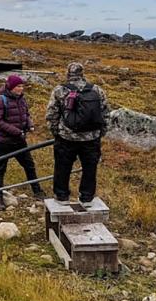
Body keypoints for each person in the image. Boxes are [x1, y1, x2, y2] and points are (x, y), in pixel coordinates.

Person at [45, 62, 110, 207]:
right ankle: (87, 198)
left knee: (62, 167)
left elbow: (51, 114)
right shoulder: (97, 90)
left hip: (66, 137)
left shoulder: (60, 90)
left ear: (68, 74)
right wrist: (100, 133)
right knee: (90, 168)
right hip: (91, 138)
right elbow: (105, 114)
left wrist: (57, 132)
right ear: (82, 74)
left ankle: (62, 197)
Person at [0, 74, 45, 211]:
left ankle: (38, 191)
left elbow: (26, 114)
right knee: (0, 169)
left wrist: (29, 124)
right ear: (11, 87)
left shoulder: (22, 99)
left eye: (22, 86)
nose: (21, 89)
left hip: (19, 140)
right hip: (4, 142)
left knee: (29, 165)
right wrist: (16, 131)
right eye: (18, 86)